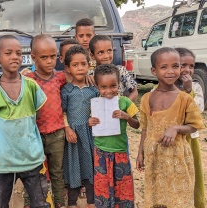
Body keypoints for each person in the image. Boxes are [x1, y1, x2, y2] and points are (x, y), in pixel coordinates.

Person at [0, 35, 50, 207]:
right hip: (3, 159)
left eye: (18, 53)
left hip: (31, 157)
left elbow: (37, 114)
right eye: (8, 53)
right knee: (1, 202)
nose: (14, 57)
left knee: (40, 202)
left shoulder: (31, 86)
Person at [136, 47, 205, 208]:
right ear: (154, 70)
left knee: (178, 198)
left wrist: (176, 128)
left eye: (175, 66)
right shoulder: (147, 98)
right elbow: (145, 128)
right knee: (157, 197)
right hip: (155, 158)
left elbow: (194, 126)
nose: (171, 71)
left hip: (177, 157)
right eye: (164, 67)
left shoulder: (184, 99)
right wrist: (140, 153)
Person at [24, 34, 67, 208]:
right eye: (44, 57)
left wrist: (88, 77)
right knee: (33, 172)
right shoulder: (28, 80)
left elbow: (76, 76)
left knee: (57, 172)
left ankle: (59, 203)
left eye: (53, 56)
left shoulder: (60, 77)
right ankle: (31, 203)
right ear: (33, 58)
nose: (50, 61)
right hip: (35, 136)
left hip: (57, 134)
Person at [88, 64, 139, 207]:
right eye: (103, 87)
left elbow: (137, 124)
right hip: (100, 151)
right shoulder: (95, 104)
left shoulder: (125, 101)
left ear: (119, 84)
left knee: (122, 185)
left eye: (113, 86)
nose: (109, 91)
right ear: (97, 87)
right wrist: (89, 122)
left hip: (120, 151)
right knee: (103, 186)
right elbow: (91, 122)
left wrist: (127, 117)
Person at [61, 45, 99, 208]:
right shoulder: (66, 90)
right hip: (73, 136)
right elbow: (62, 112)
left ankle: (91, 202)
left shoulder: (94, 89)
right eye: (75, 65)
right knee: (73, 168)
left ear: (89, 65)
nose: (80, 68)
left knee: (90, 167)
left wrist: (93, 119)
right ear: (68, 68)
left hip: (90, 134)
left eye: (83, 64)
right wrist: (67, 128)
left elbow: (99, 110)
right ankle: (72, 202)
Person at [174, 47, 205, 208]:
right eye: (182, 65)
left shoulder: (196, 87)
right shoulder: (166, 88)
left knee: (193, 172)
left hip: (190, 140)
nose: (187, 70)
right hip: (172, 141)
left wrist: (188, 90)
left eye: (191, 66)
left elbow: (197, 110)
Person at [89, 35, 138, 102]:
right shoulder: (90, 75)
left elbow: (134, 91)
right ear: (92, 56)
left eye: (109, 51)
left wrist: (125, 105)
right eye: (101, 52)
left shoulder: (121, 71)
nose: (106, 56)